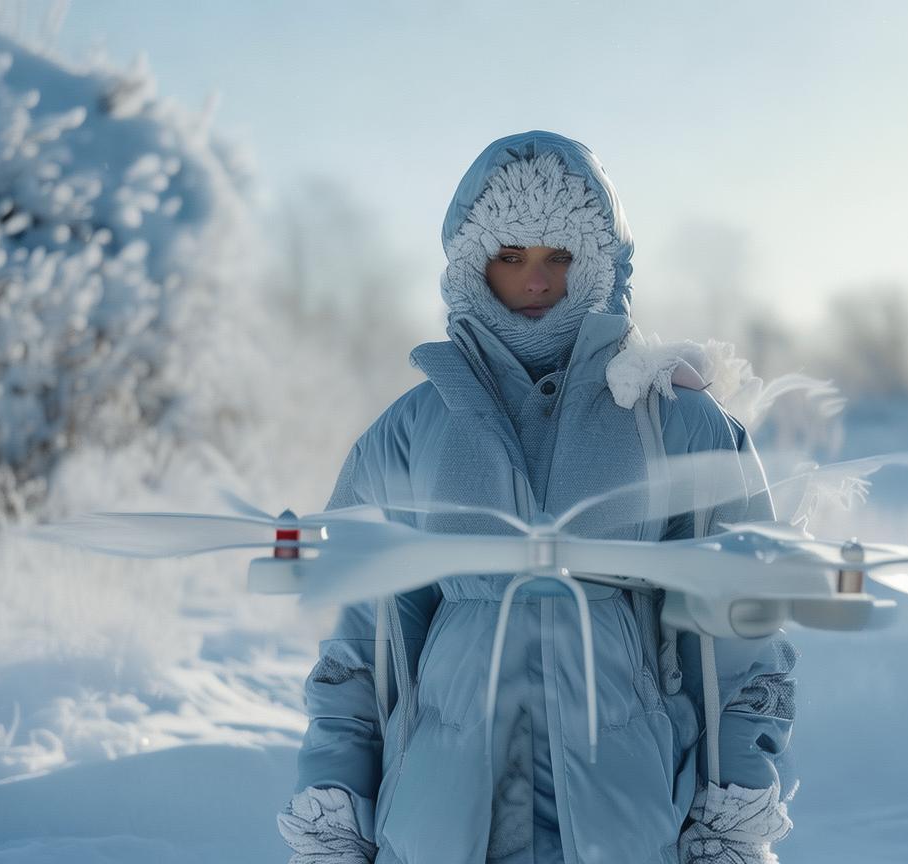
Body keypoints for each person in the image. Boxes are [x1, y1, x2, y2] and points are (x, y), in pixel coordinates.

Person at [277, 130, 797, 864]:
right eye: (511, 256)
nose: (537, 280)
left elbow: (742, 630)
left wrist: (734, 812)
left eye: (560, 256)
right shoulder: (411, 431)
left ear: (599, 263)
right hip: (440, 826)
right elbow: (364, 647)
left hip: (625, 820)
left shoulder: (671, 418)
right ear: (471, 263)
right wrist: (335, 811)